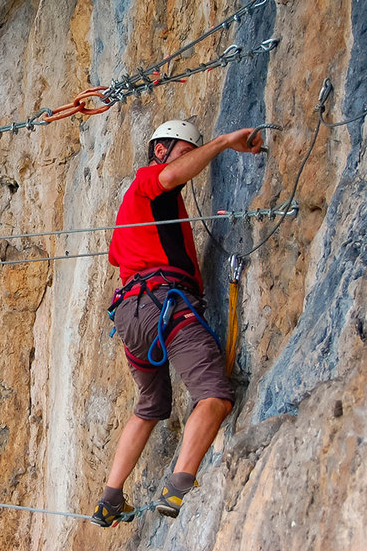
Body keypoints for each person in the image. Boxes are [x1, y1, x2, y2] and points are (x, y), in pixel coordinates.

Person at [91, 120, 263, 527]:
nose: (189, 160)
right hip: (163, 304)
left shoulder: (143, 210)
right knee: (215, 396)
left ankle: (110, 499)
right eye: (184, 151)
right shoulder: (149, 182)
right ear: (159, 150)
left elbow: (118, 256)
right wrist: (222, 142)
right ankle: (179, 486)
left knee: (150, 406)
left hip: (131, 316)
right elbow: (168, 176)